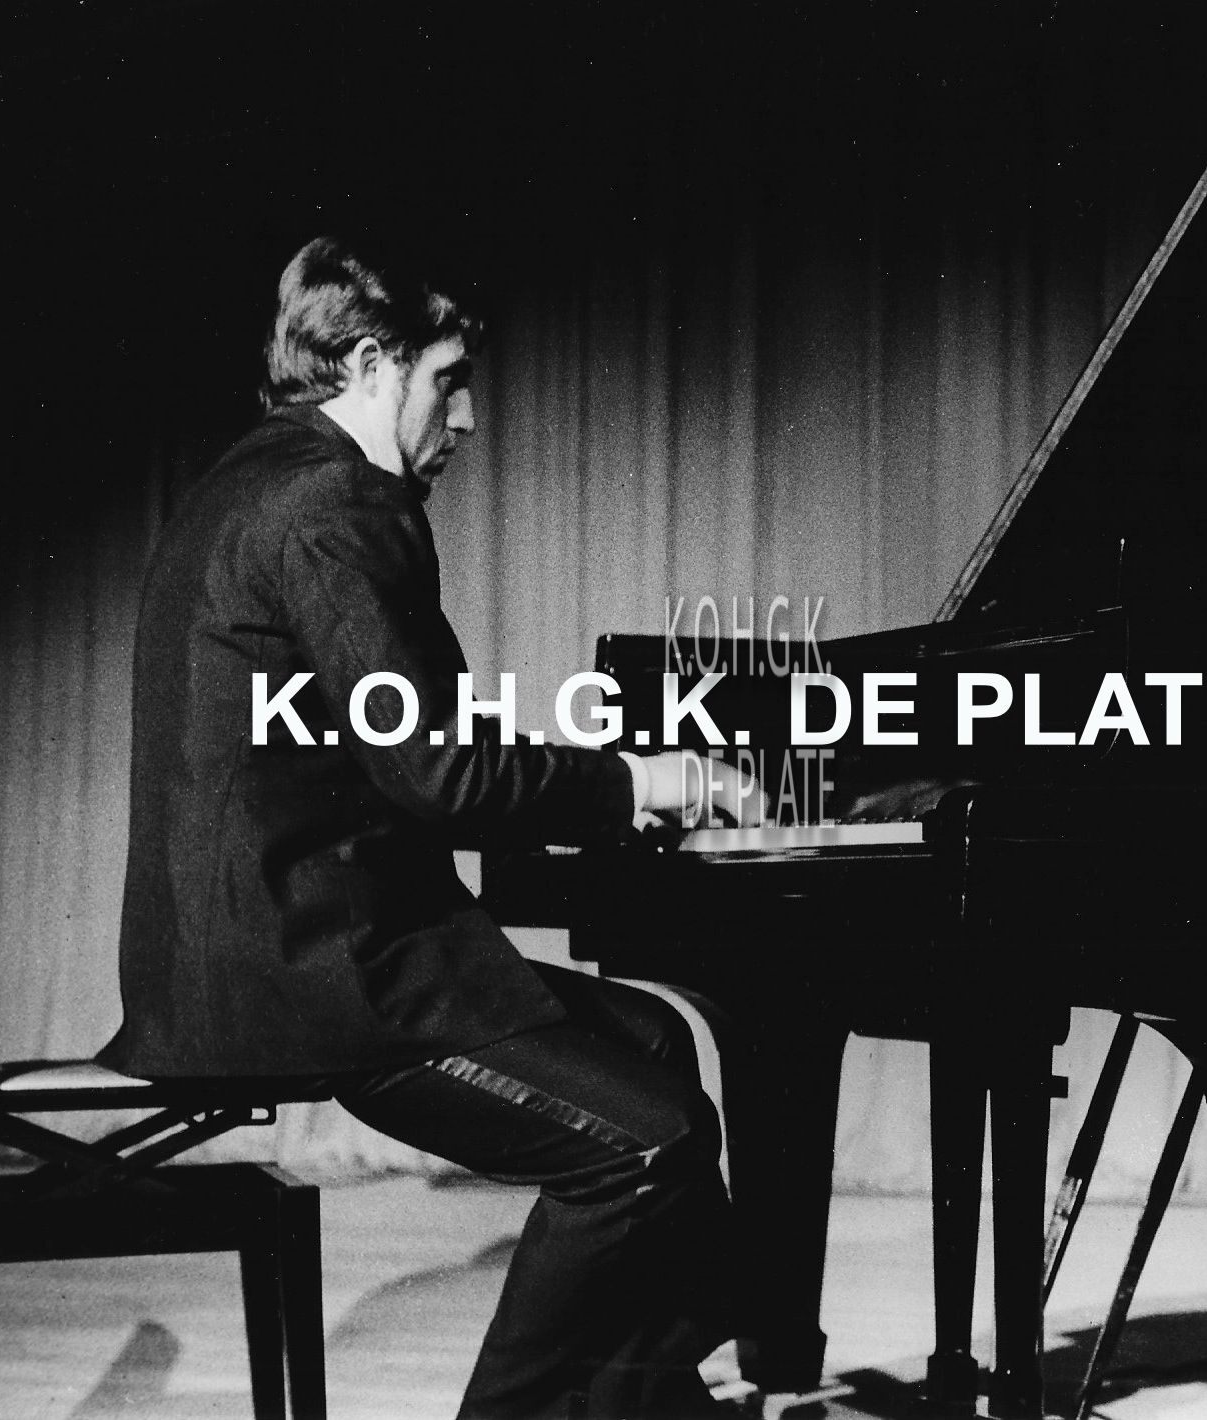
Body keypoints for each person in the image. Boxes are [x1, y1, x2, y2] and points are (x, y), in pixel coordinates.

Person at [100, 233, 759, 1418]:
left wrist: (596, 794)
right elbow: (439, 769)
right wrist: (639, 785)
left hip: (285, 943)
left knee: (656, 1040)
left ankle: (641, 1399)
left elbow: (399, 750)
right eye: (448, 380)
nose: (466, 417)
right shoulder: (334, 501)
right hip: (309, 973)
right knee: (647, 1144)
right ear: (368, 364)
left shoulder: (262, 478)